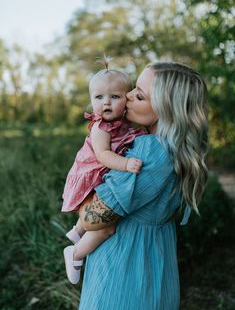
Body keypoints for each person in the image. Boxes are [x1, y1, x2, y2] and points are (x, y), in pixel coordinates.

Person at [77, 61, 208, 310]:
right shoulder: (175, 149)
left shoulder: (151, 151)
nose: (126, 96)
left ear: (165, 109)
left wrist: (79, 192)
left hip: (124, 272)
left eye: (139, 95)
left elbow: (93, 220)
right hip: (155, 261)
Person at [62, 65, 146, 284]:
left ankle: (77, 230)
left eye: (115, 96)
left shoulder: (124, 123)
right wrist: (126, 164)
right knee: (105, 227)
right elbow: (103, 155)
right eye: (99, 97)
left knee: (99, 209)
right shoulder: (101, 127)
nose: (106, 102)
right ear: (91, 99)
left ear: (127, 99)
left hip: (102, 175)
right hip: (93, 172)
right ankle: (76, 253)